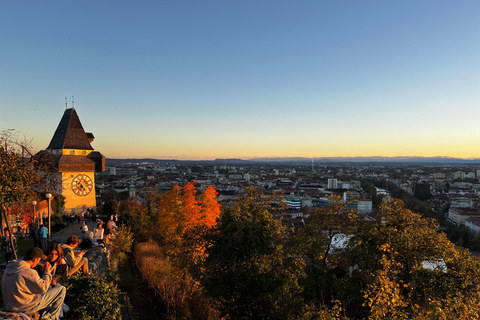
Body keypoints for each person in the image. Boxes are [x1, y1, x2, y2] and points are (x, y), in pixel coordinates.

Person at [2, 247, 66, 320]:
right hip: (25, 307)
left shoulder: (11, 268)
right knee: (61, 289)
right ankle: (52, 317)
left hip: (10, 305)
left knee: (51, 287)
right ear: (35, 259)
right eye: (39, 260)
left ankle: (46, 315)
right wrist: (47, 271)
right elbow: (43, 288)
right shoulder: (27, 271)